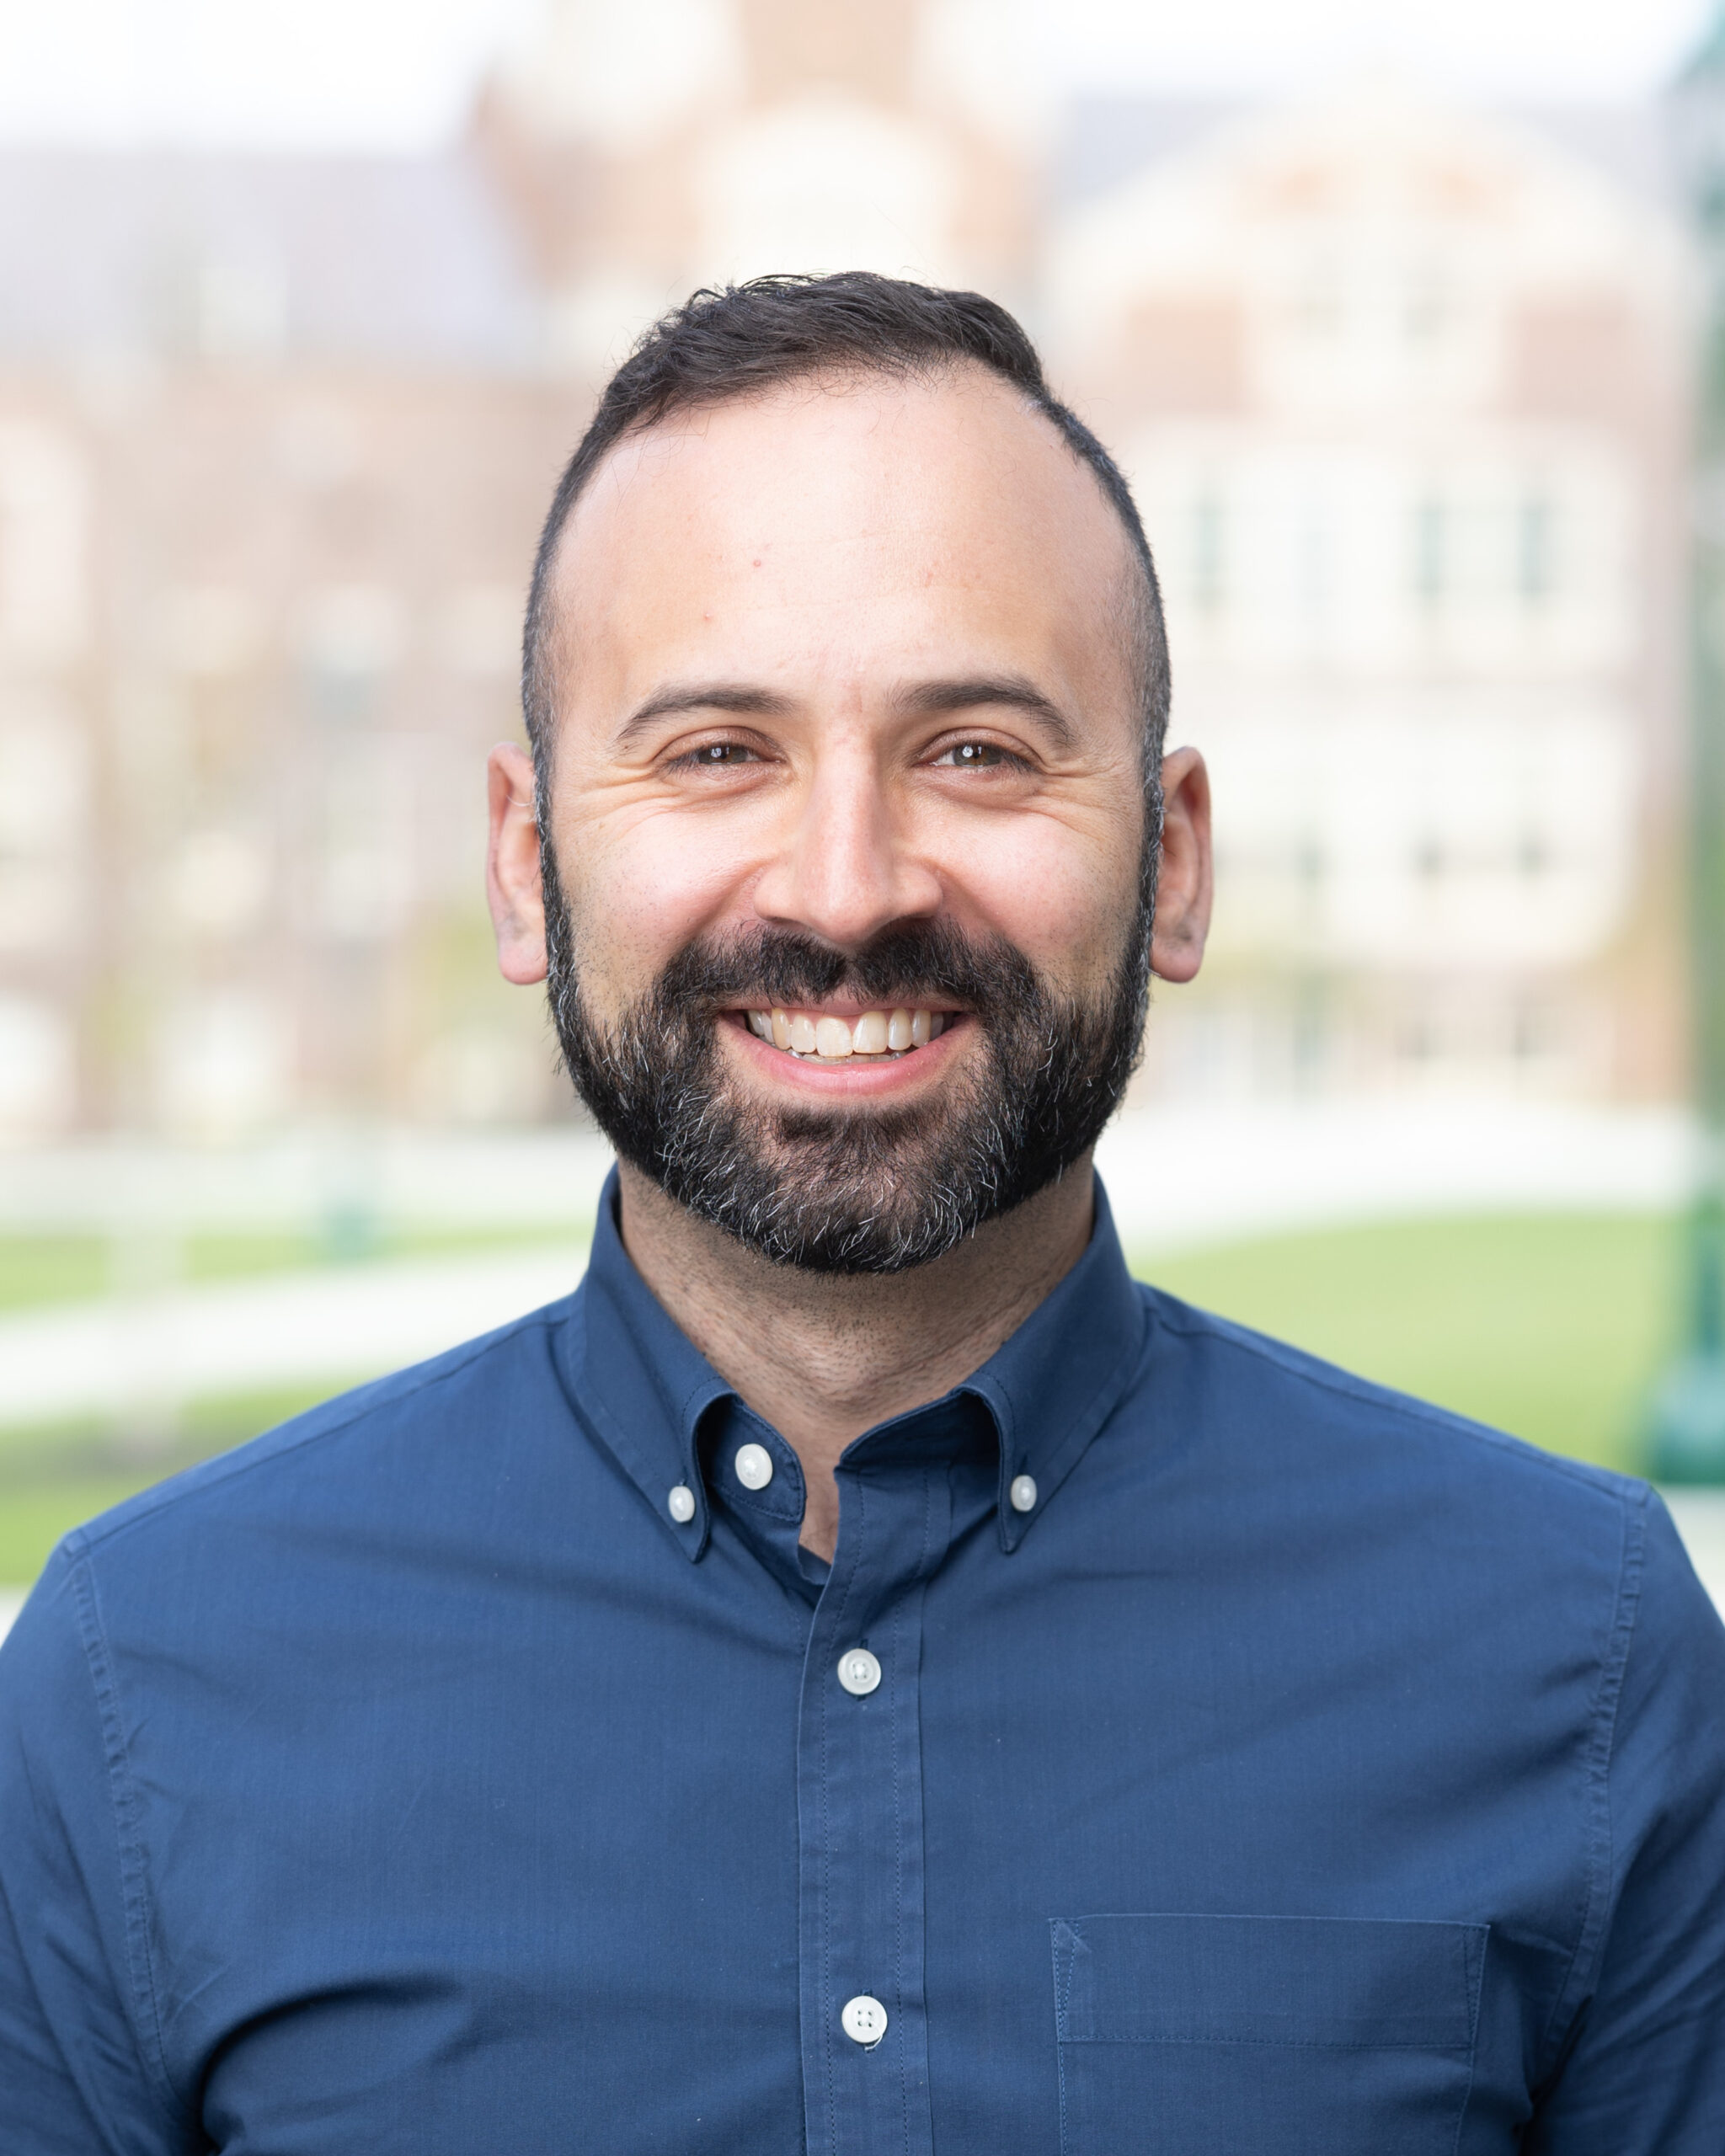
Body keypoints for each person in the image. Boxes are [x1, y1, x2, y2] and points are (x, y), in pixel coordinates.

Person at [2, 274, 1722, 2154]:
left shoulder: (1574, 1658)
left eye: (975, 749)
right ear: (525, 864)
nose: (845, 885)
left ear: (1172, 860)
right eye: (716, 751)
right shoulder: (136, 1691)